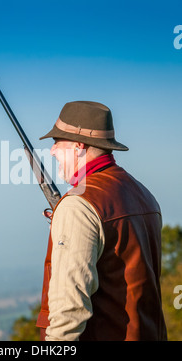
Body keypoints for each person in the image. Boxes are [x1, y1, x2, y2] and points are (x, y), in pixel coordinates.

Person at [36, 101, 167, 341]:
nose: (52, 151)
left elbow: (68, 311)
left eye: (57, 143)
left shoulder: (78, 205)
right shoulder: (145, 196)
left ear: (78, 146)